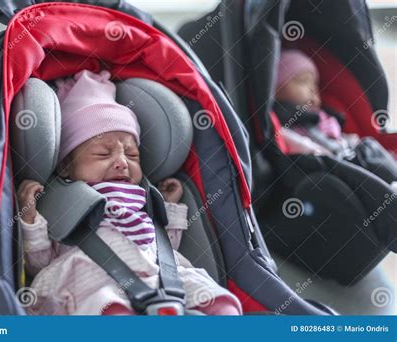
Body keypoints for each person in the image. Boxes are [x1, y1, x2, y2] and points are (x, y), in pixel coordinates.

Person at [16, 70, 243, 315]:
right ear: (66, 166)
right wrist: (30, 219)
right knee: (102, 301)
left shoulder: (145, 197)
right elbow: (40, 263)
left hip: (160, 273)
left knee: (215, 295)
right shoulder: (59, 203)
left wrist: (168, 207)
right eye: (103, 154)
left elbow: (164, 245)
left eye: (132, 155)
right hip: (90, 273)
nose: (122, 163)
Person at [274, 49, 397, 187]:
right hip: (329, 166)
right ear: (276, 89)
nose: (313, 90)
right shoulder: (282, 121)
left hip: (344, 154)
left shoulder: (322, 116)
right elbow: (295, 143)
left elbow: (338, 137)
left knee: (369, 146)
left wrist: (350, 141)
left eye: (315, 85)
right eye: (303, 82)